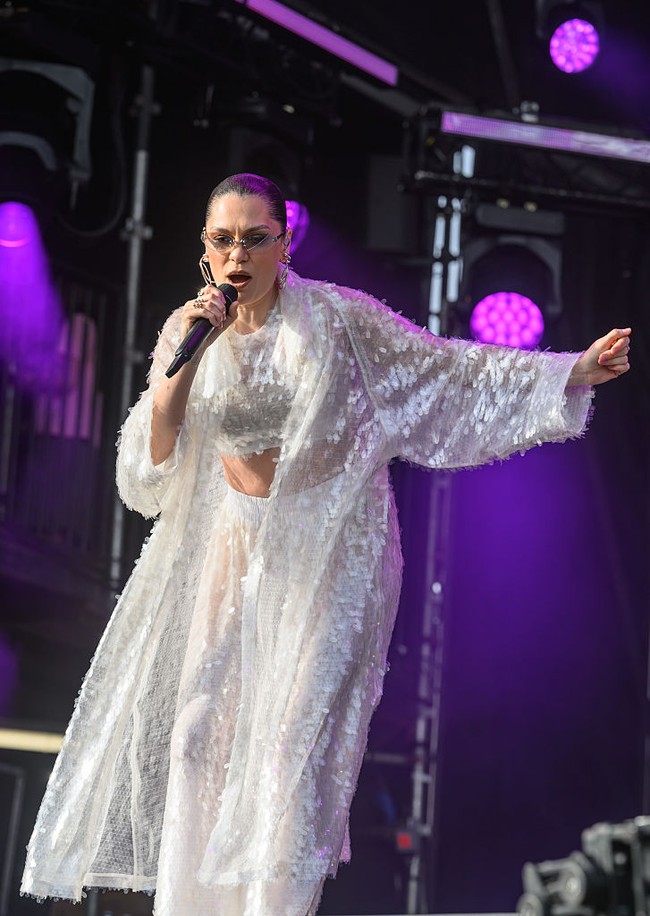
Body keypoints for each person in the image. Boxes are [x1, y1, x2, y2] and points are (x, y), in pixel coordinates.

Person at [21, 173, 631, 916]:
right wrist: (186, 361)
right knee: (194, 736)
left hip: (329, 547)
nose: (237, 255)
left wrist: (568, 372)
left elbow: (446, 370)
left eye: (254, 238)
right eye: (222, 240)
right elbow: (149, 465)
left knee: (289, 751)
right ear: (204, 250)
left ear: (284, 243)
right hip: (233, 544)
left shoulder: (339, 321)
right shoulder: (190, 330)